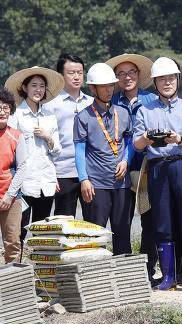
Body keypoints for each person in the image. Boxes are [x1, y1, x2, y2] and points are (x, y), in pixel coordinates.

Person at [132, 57, 182, 292]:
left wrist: (178, 138)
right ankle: (168, 277)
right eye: (162, 79)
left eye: (171, 78)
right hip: (158, 167)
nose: (167, 82)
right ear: (154, 82)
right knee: (162, 222)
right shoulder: (144, 110)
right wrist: (147, 138)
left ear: (177, 79)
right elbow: (137, 145)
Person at [105, 53, 164, 285]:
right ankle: (125, 270)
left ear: (139, 76)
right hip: (120, 170)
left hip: (149, 168)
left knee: (151, 221)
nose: (127, 77)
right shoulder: (112, 102)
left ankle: (148, 269)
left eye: (131, 73)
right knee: (122, 221)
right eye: (121, 74)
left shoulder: (152, 100)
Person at [73, 63, 133, 255]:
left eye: (111, 85)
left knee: (122, 232)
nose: (109, 90)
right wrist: (84, 179)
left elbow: (130, 142)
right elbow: (79, 150)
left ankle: (124, 278)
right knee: (96, 234)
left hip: (122, 183)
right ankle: (96, 279)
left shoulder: (123, 113)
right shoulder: (83, 116)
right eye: (103, 86)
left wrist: (126, 160)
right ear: (92, 88)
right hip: (97, 184)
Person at [5, 67, 63, 237]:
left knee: (42, 233)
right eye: (34, 85)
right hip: (23, 183)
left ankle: (39, 264)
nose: (38, 90)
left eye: (42, 86)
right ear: (24, 88)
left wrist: (47, 137)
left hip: (46, 182)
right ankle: (17, 264)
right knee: (19, 232)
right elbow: (10, 149)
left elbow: (57, 150)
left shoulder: (49, 116)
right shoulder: (16, 115)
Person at [44, 53, 93, 217]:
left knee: (93, 222)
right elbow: (46, 143)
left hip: (90, 171)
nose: (77, 77)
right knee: (64, 223)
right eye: (71, 73)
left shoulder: (92, 102)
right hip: (63, 172)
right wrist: (51, 174)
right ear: (61, 75)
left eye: (80, 72)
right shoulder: (50, 105)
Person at [0, 88, 28, 263]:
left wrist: (9, 196)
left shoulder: (16, 135)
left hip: (11, 198)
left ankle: (13, 286)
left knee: (12, 243)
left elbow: (22, 167)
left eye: (5, 107)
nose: (2, 111)